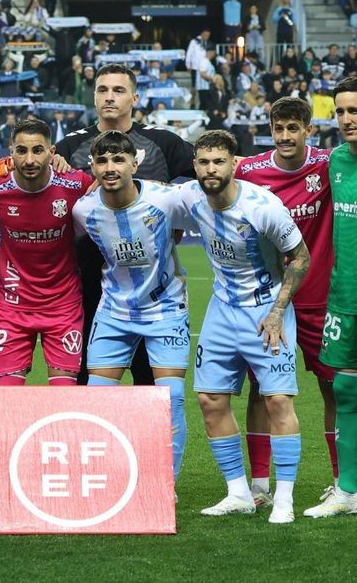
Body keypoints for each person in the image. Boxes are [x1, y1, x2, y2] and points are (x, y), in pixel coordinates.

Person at [182, 129, 309, 524]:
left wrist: (277, 312)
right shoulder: (189, 198)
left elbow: (300, 258)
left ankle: (283, 499)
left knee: (277, 401)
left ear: (234, 164)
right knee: (210, 399)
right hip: (222, 309)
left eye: (218, 161)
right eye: (203, 162)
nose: (210, 169)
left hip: (266, 311)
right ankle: (238, 492)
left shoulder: (263, 206)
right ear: (195, 166)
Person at [56, 63, 195, 385]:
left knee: (150, 388)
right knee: (89, 386)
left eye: (118, 90)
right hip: (87, 285)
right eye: (103, 90)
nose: (110, 97)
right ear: (93, 98)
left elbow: (211, 170)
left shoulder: (163, 143)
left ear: (134, 97)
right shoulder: (70, 148)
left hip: (152, 288)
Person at [72, 130, 192, 488]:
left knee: (170, 399)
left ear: (134, 164)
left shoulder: (167, 200)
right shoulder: (84, 209)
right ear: (93, 166)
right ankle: (102, 479)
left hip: (166, 309)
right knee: (96, 399)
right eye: (103, 161)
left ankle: (163, 486)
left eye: (119, 160)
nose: (111, 168)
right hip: (114, 313)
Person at [236, 97, 338, 503]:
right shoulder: (250, 170)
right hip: (266, 300)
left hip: (318, 299)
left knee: (334, 390)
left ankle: (342, 481)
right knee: (262, 391)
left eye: (293, 128)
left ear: (308, 130)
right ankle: (259, 486)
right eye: (278, 128)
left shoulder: (330, 165)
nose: (284, 136)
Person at [0, 117, 93, 386]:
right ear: (10, 153)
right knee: (8, 395)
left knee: (63, 394)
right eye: (21, 151)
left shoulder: (76, 184)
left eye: (38, 150)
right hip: (12, 306)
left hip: (63, 305)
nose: (29, 160)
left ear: (52, 152)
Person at [308, 76, 357, 517]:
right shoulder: (336, 161)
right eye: (340, 111)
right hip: (344, 296)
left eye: (354, 111)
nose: (346, 119)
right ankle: (348, 491)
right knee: (344, 387)